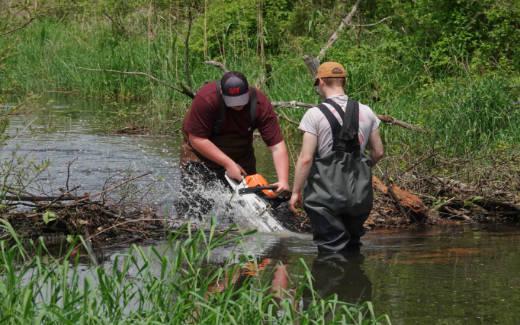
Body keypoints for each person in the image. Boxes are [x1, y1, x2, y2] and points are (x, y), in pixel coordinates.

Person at [289, 62, 384, 253]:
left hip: (326, 195)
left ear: (321, 82)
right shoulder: (366, 111)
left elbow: (306, 158)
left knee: (331, 251)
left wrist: (295, 192)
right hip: (359, 195)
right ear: (344, 81)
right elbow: (378, 152)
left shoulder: (314, 115)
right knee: (353, 246)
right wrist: (361, 171)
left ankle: (335, 280)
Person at [178, 71, 290, 217]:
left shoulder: (260, 103)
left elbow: (277, 146)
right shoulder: (207, 99)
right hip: (199, 155)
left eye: (241, 100)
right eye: (232, 102)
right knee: (195, 204)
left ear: (248, 92)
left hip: (241, 156)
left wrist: (283, 180)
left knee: (246, 206)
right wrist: (228, 164)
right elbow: (197, 139)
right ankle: (187, 231)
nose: (238, 105)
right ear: (221, 93)